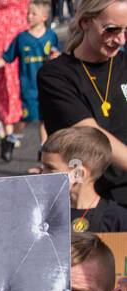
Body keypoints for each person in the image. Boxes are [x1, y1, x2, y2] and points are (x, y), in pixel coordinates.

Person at [39, 0, 127, 205]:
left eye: (126, 31)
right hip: (90, 200)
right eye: (112, 30)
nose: (121, 39)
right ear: (85, 22)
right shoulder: (56, 75)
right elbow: (89, 132)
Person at [0, 0, 60, 154]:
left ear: (44, 17)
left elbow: (56, 54)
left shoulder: (51, 36)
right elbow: (7, 57)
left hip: (47, 86)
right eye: (28, 13)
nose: (29, 16)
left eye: (33, 13)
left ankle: (43, 149)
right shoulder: (21, 38)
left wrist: (57, 57)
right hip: (28, 87)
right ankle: (11, 137)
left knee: (44, 118)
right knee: (26, 118)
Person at [40, 126, 127, 230]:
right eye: (43, 167)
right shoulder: (41, 213)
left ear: (78, 173)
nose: (42, 174)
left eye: (50, 168)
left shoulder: (116, 220)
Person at [0, 0, 33, 161]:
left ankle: (7, 127)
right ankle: (10, 129)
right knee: (16, 80)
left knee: (1, 81)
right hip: (15, 25)